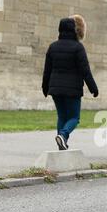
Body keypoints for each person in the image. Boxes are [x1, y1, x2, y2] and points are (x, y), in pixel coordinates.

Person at [42, 16, 99, 150]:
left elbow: (47, 70)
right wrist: (93, 88)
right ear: (74, 30)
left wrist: (45, 87)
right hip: (72, 89)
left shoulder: (52, 47)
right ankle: (63, 135)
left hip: (55, 89)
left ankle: (61, 143)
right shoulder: (78, 48)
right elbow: (86, 71)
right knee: (74, 117)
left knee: (62, 116)